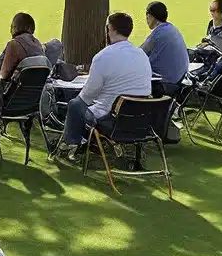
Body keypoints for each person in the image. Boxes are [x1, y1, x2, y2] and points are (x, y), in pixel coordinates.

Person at [59, 12, 153, 154]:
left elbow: (87, 96)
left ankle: (70, 145)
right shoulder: (142, 55)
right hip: (139, 118)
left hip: (110, 118)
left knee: (75, 105)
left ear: (111, 30)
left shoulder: (103, 56)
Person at [139, 2, 189, 86]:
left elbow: (139, 55)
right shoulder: (171, 28)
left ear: (150, 16)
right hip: (179, 78)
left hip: (165, 82)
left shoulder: (157, 34)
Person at [0, 12, 45, 84]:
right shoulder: (38, 44)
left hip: (14, 92)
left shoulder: (14, 44)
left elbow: (4, 75)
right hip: (36, 91)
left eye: (12, 27)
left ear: (15, 28)